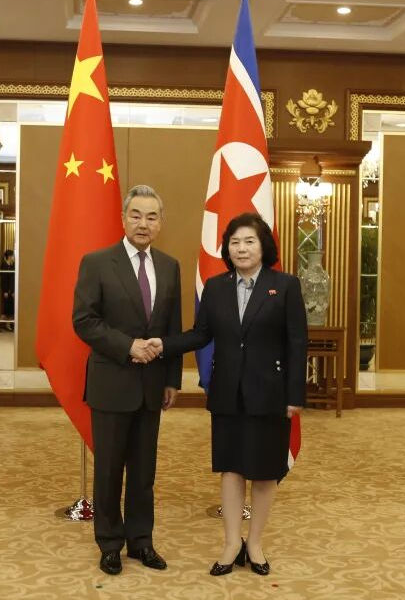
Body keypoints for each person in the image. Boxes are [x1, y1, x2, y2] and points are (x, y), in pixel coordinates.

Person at [149, 212, 307, 577]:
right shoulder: (216, 287)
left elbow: (297, 343)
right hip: (227, 395)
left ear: (263, 246)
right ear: (227, 248)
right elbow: (200, 334)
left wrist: (294, 395)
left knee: (265, 472)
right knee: (232, 469)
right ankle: (231, 541)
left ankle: (255, 542)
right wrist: (164, 345)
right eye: (234, 242)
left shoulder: (284, 286)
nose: (241, 248)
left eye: (249, 241)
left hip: (271, 393)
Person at [72, 185, 183, 576]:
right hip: (111, 382)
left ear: (160, 223)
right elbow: (84, 321)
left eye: (152, 217)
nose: (143, 223)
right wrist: (128, 346)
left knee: (144, 471)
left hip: (153, 386)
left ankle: (141, 541)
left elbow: (172, 327)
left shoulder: (170, 266)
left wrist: (172, 379)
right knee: (108, 470)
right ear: (123, 218)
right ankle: (109, 544)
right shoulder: (98, 262)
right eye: (136, 214)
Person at [0, 249, 15, 331]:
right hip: (6, 290)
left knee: (11, 309)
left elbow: (13, 279)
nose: (14, 257)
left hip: (11, 290)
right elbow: (3, 279)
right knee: (5, 309)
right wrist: (5, 290)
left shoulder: (13, 265)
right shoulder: (4, 265)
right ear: (9, 257)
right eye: (12, 256)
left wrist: (12, 291)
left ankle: (8, 325)